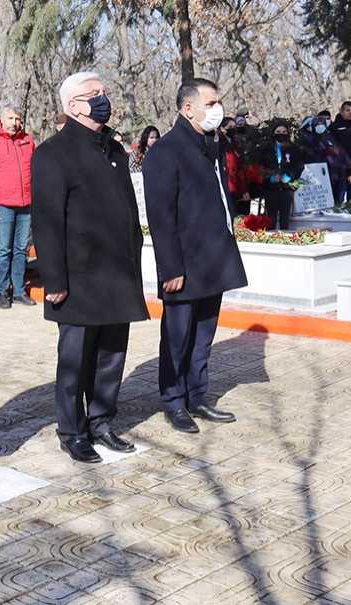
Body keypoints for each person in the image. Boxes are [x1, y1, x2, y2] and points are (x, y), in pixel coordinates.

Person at [31, 72, 150, 462]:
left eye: (103, 92)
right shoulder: (53, 153)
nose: (102, 98)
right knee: (75, 361)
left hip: (117, 273)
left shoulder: (113, 150)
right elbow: (47, 222)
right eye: (92, 94)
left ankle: (101, 422)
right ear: (72, 106)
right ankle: (72, 431)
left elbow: (129, 212)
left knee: (111, 356)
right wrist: (55, 279)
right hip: (78, 278)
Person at [143, 78, 247, 434]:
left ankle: (197, 394)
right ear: (188, 108)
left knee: (204, 333)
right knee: (178, 336)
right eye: (211, 102)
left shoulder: (211, 145)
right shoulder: (165, 151)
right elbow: (160, 215)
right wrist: (170, 267)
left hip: (212, 258)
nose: (217, 109)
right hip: (183, 264)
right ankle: (173, 400)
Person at [0, 102, 36, 309]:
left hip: (26, 204)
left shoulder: (27, 141)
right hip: (3, 205)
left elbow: (34, 172)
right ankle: (1, 291)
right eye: (11, 118)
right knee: (3, 249)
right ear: (2, 120)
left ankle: (19, 290)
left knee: (21, 249)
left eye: (18, 118)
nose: (15, 122)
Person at [259, 122, 304, 229]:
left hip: (286, 187)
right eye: (278, 132)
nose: (281, 134)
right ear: (273, 133)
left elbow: (298, 166)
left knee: (285, 216)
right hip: (270, 187)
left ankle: (284, 235)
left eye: (284, 132)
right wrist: (270, 177)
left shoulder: (293, 149)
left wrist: (289, 177)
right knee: (271, 217)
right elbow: (260, 166)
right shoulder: (266, 149)